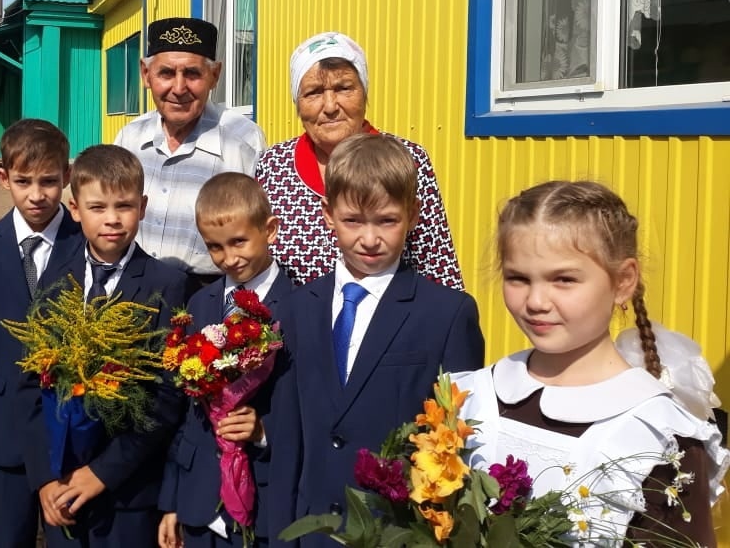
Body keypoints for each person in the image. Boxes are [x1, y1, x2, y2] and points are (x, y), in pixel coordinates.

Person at [455, 180, 729, 545]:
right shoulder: (471, 397)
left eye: (564, 279)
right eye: (518, 278)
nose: (536, 301)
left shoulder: (657, 434)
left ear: (623, 281)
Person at [268, 133, 484, 546]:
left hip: (398, 533)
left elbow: (458, 447)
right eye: (353, 221)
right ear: (328, 214)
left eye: (387, 220)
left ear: (413, 215)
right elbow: (288, 439)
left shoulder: (447, 314)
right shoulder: (297, 308)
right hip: (311, 531)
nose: (369, 239)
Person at [21, 143, 188, 547]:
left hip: (128, 494)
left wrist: (101, 473)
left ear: (142, 207)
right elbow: (30, 382)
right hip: (60, 490)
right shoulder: (52, 278)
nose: (112, 219)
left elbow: (167, 399)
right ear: (75, 209)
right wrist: (44, 477)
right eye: (97, 207)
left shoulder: (168, 285)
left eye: (124, 206)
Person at [0, 119, 84, 548]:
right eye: (24, 181)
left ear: (67, 176)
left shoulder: (89, 244)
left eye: (49, 181)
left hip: (71, 437)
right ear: (4, 178)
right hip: (0, 435)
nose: (36, 194)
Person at [255, 32, 462, 289]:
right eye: (314, 92)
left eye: (343, 88)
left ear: (364, 94)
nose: (330, 106)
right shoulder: (274, 165)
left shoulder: (407, 159)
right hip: (294, 314)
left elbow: (437, 267)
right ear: (298, 104)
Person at [158, 173, 296, 548]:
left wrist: (264, 430)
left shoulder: (300, 306)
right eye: (214, 247)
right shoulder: (200, 303)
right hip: (199, 500)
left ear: (270, 230)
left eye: (238, 242)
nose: (229, 258)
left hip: (264, 500)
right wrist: (172, 501)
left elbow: (307, 408)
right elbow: (186, 412)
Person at [115, 17, 267, 294]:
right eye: (166, 73)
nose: (179, 88)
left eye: (193, 74)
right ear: (146, 74)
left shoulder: (243, 142)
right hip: (134, 286)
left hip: (209, 293)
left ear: (215, 76)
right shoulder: (130, 138)